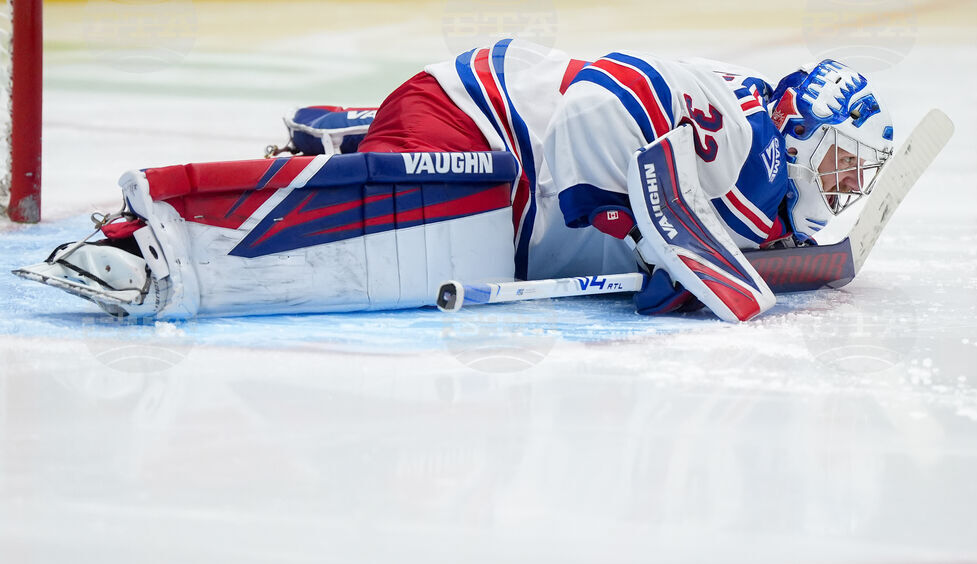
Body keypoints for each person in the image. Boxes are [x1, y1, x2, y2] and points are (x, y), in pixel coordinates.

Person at [16, 39, 893, 322]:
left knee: (487, 225)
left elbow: (666, 270)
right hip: (475, 124)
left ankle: (340, 139)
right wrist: (685, 237)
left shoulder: (764, 187)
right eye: (845, 161)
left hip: (517, 177)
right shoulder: (735, 124)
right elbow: (605, 91)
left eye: (863, 175)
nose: (846, 186)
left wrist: (683, 260)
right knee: (450, 219)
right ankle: (156, 234)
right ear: (801, 127)